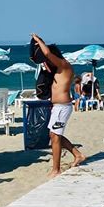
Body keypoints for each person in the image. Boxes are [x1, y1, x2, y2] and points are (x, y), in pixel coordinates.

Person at [31, 34, 85, 177]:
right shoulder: (58, 69)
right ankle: (77, 154)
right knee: (54, 135)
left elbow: (47, 53)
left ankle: (56, 169)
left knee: (55, 137)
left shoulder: (64, 65)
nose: (48, 62)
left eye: (49, 60)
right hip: (57, 107)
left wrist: (39, 41)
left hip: (63, 107)